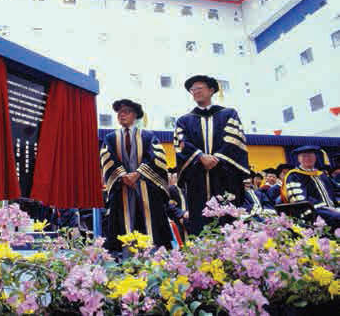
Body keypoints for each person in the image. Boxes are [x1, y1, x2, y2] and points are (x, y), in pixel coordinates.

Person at [173, 75, 250, 235]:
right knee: (200, 222)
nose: (195, 92)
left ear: (211, 90)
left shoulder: (229, 114)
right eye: (192, 90)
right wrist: (201, 156)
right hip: (197, 179)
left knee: (228, 222)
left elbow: (233, 139)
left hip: (225, 175)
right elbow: (182, 143)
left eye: (199, 88)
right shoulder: (183, 121)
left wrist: (217, 158)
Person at [101, 99, 172, 252]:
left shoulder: (148, 136)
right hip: (122, 188)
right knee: (121, 227)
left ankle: (153, 258)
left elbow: (156, 158)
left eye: (126, 111)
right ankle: (124, 260)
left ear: (135, 115)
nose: (121, 114)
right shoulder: (110, 138)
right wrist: (123, 176)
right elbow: (108, 158)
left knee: (150, 226)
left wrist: (138, 174)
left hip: (146, 188)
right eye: (119, 112)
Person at [282, 146, 340, 229]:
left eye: (311, 156)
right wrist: (326, 209)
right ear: (299, 159)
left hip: (332, 210)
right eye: (304, 156)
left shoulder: (321, 174)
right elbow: (300, 200)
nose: (308, 158)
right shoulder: (294, 175)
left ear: (315, 158)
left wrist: (336, 205)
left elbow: (336, 190)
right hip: (311, 213)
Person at [166, 167, 188, 242]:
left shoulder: (186, 187)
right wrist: (181, 214)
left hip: (187, 218)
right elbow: (167, 205)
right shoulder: (172, 189)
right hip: (176, 219)